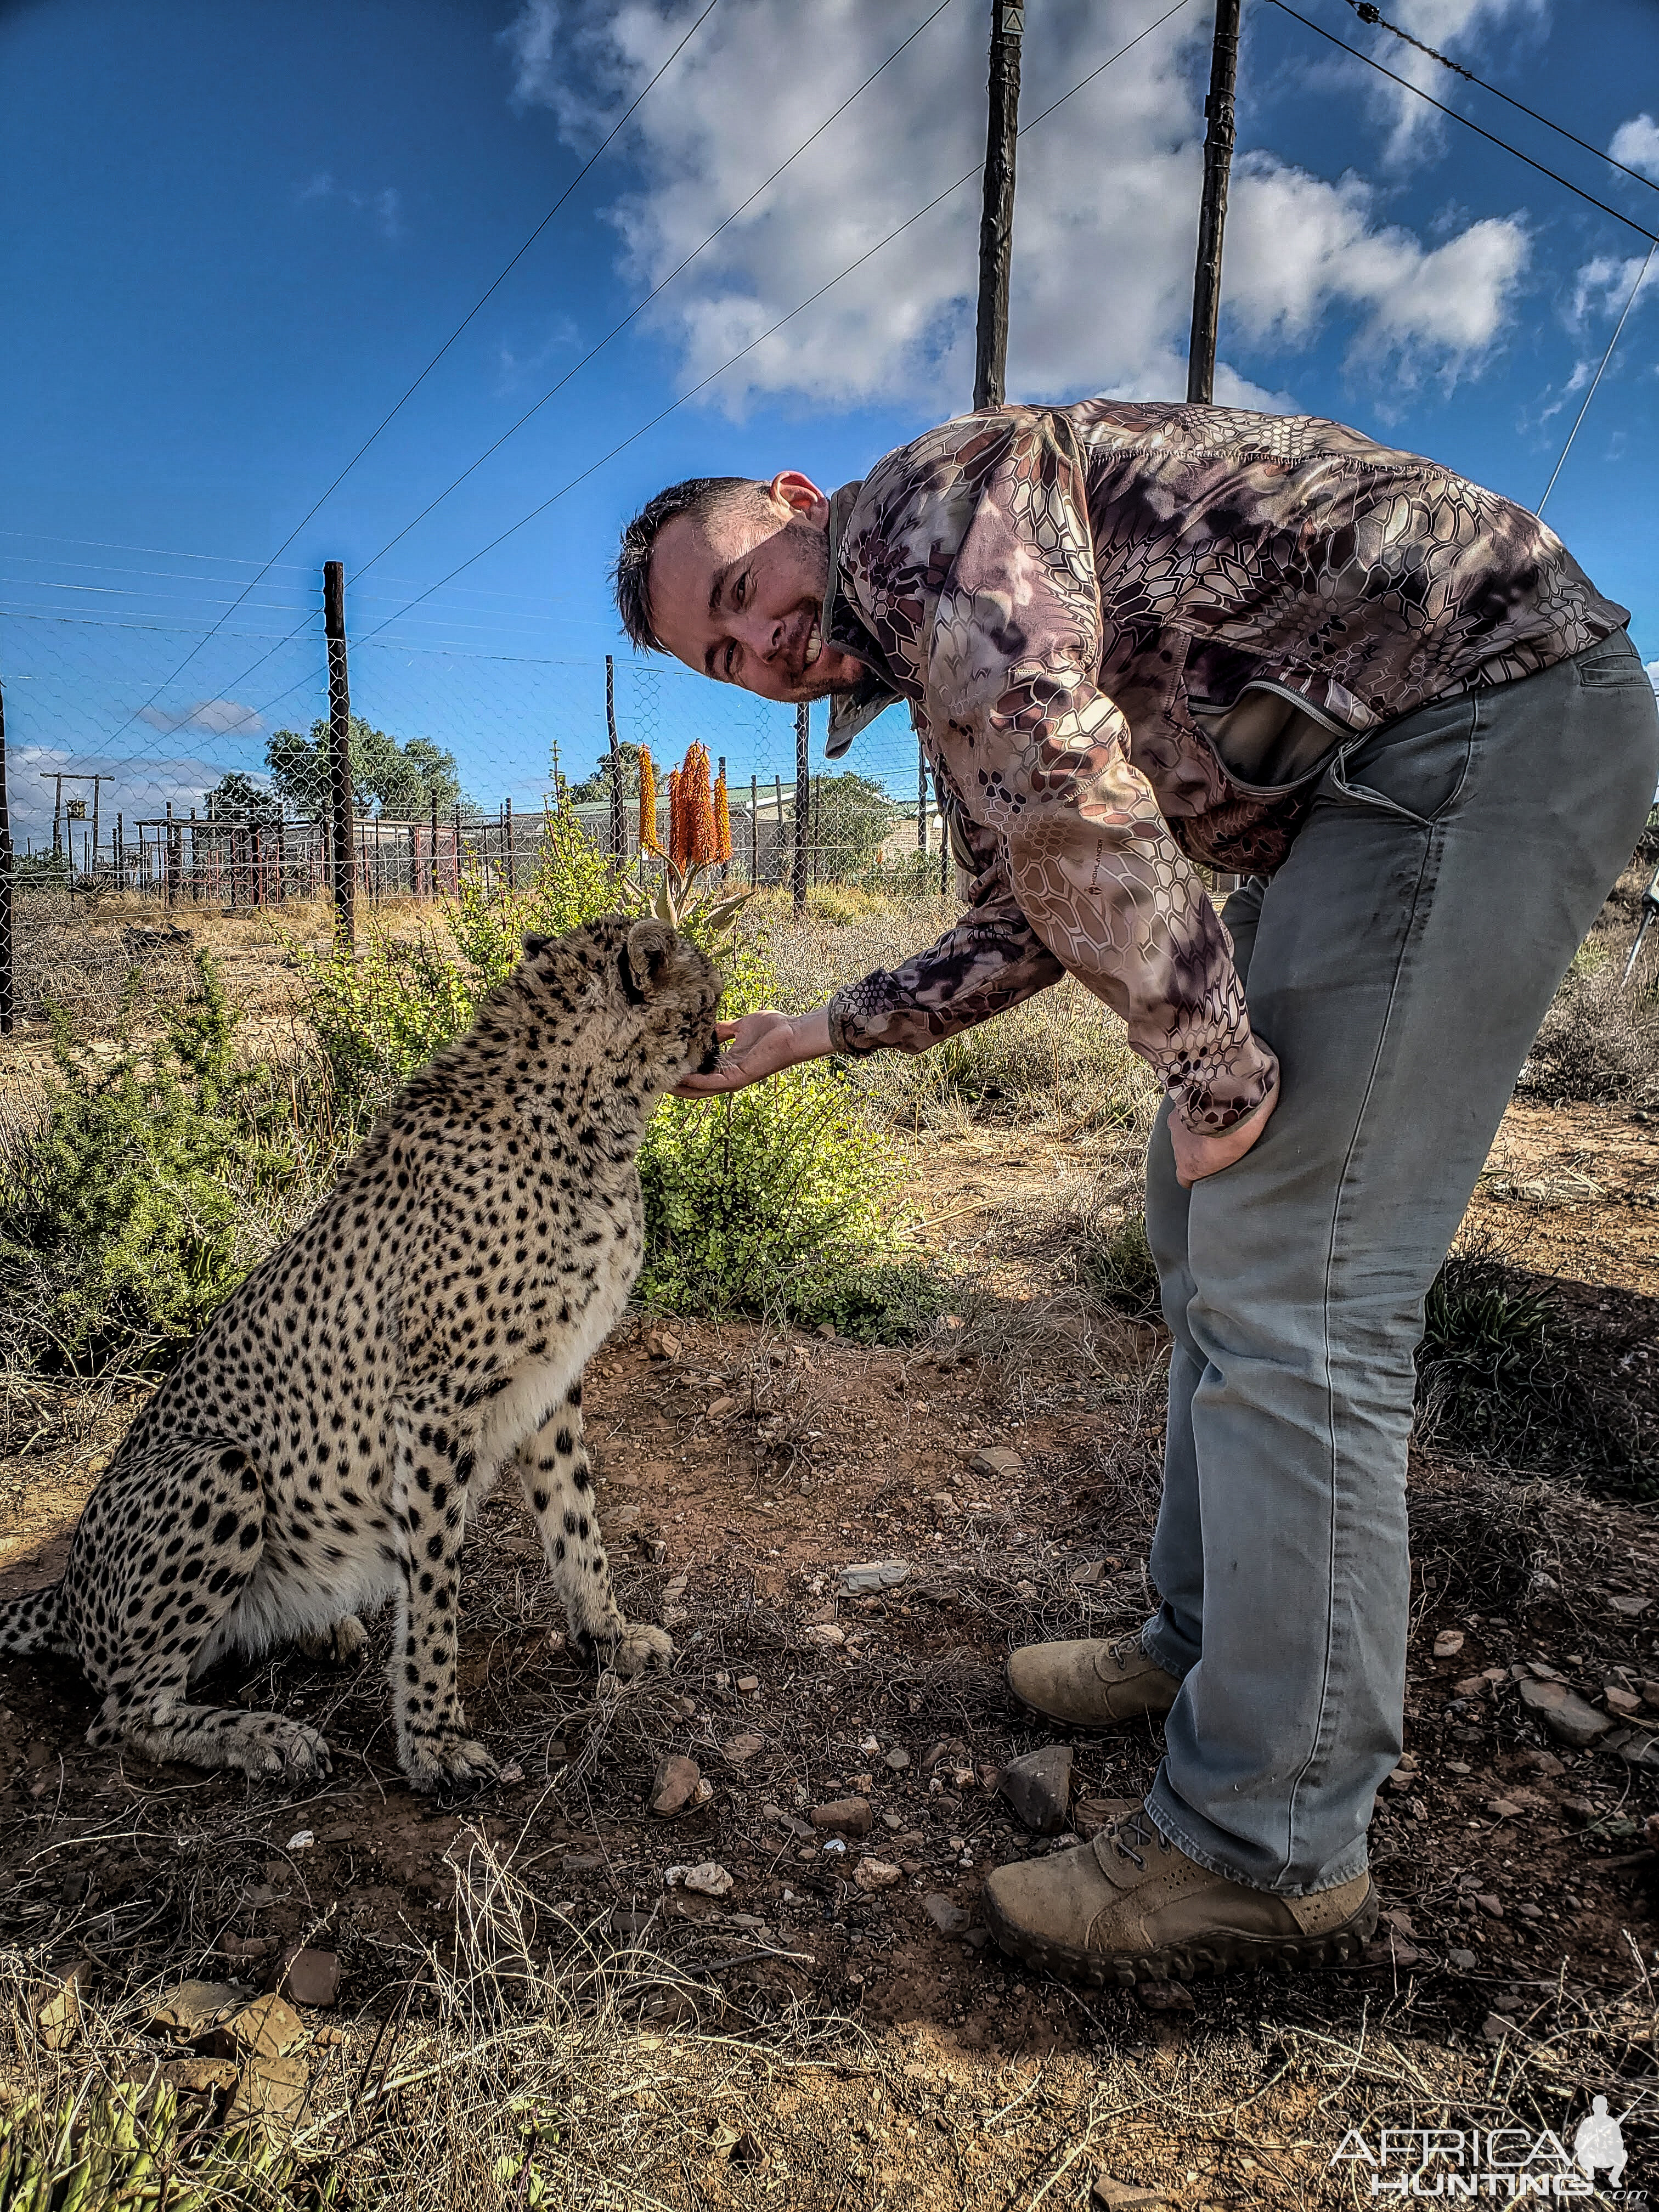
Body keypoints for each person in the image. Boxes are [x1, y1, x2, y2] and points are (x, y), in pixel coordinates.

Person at [610, 399, 1658, 1988]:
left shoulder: (925, 522)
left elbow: (1059, 766)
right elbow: (1024, 911)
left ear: (799, 503)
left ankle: (1271, 1839)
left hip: (1483, 715)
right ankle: (1201, 1644)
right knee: (1200, 1225)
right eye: (726, 660)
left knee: (1298, 1270)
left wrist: (1211, 1060)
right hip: (1384, 777)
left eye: (743, 590)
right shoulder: (915, 639)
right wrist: (811, 1034)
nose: (763, 645)